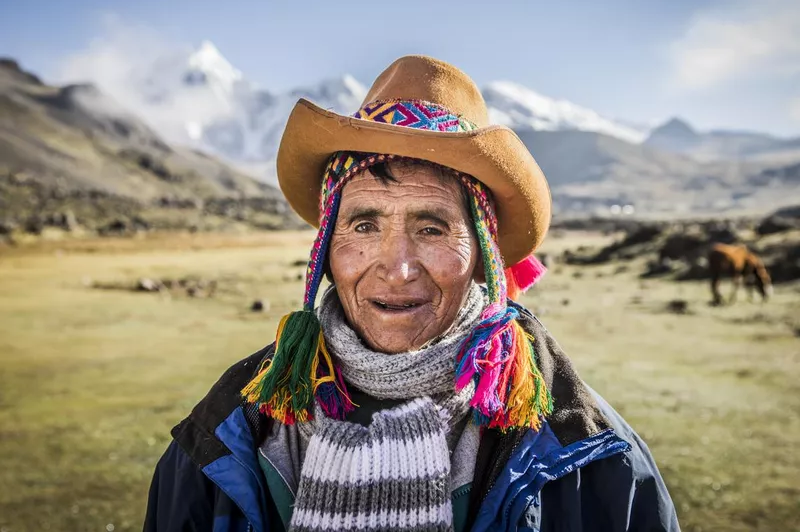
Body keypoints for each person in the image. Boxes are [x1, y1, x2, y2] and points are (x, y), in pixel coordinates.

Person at [144, 55, 679, 532]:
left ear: (484, 257)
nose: (397, 269)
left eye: (432, 228)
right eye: (364, 226)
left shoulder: (586, 451)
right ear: (327, 247)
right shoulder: (225, 432)